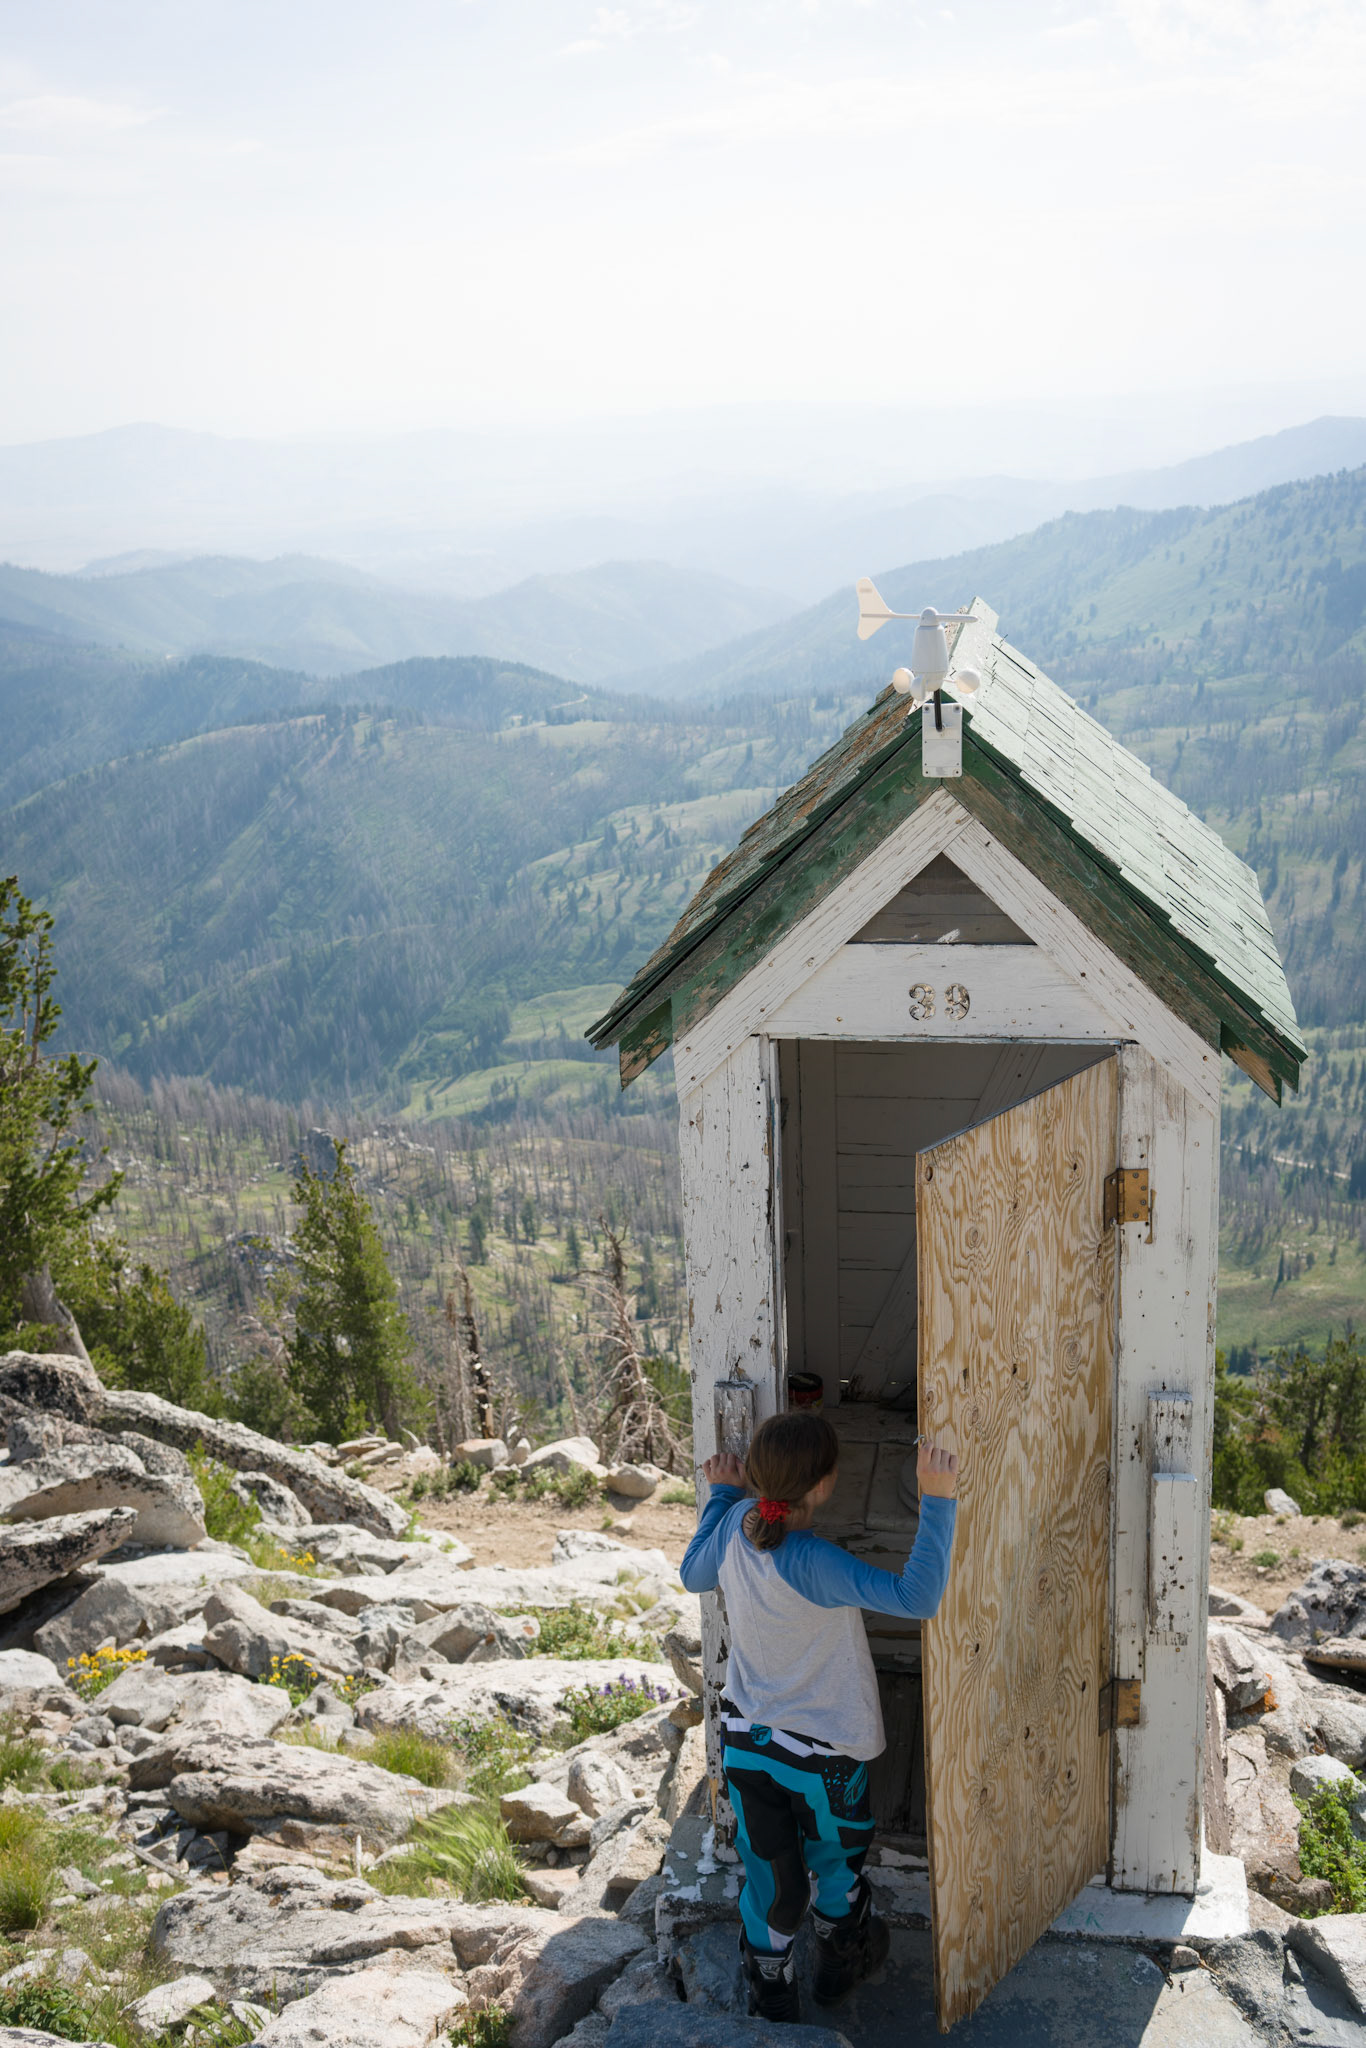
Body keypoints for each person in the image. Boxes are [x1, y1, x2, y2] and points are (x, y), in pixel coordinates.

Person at [680, 1410, 958, 2024]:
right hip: (823, 1757)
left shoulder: (731, 1526)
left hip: (749, 1745)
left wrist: (722, 1495)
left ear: (755, 1476)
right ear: (826, 1485)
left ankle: (772, 1991)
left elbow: (691, 1573)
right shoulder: (816, 1562)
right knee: (836, 1861)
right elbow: (920, 1597)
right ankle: (840, 1960)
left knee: (772, 1878)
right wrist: (938, 1501)